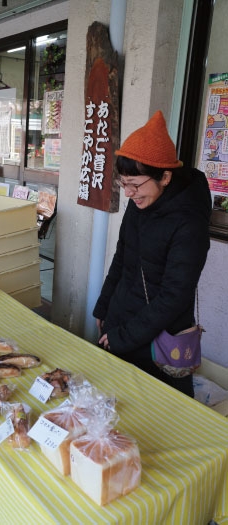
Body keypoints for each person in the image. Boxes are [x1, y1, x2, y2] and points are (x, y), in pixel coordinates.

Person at [93, 110, 211, 397]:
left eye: (135, 184)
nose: (129, 193)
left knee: (157, 411)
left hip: (159, 338)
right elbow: (121, 258)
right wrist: (103, 307)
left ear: (165, 177)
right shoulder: (139, 204)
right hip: (121, 324)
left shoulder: (188, 222)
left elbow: (174, 296)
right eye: (124, 183)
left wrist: (124, 336)